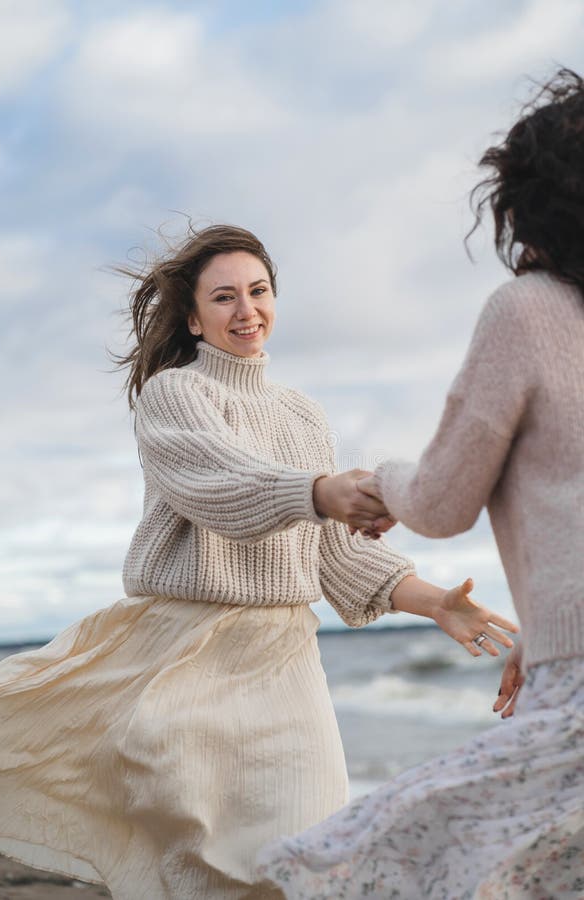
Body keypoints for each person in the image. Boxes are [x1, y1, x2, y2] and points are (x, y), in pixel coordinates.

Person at [0, 226, 516, 900]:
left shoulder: (304, 414)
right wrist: (319, 492)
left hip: (285, 659)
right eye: (225, 297)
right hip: (188, 656)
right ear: (192, 318)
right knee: (202, 870)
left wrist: (436, 600)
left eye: (259, 292)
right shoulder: (174, 396)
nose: (247, 311)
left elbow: (334, 556)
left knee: (305, 855)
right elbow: (221, 488)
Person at [256, 68, 584, 899]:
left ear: (523, 202)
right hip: (558, 662)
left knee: (361, 858)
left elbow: (440, 502)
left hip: (576, 678)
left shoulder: (528, 310)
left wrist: (383, 482)